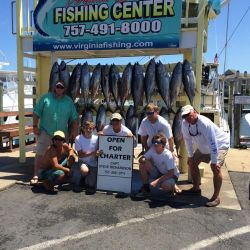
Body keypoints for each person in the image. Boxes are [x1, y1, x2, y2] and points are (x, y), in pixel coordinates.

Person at [30, 81, 78, 185]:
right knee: (40, 153)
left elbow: (74, 117)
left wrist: (74, 131)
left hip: (60, 136)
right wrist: (34, 126)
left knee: (62, 156)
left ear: (64, 89)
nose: (59, 88)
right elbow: (36, 112)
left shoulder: (69, 101)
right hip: (46, 131)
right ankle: (36, 174)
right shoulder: (45, 98)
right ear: (54, 87)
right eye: (57, 86)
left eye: (61, 87)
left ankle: (54, 175)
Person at [181, 105, 230, 207]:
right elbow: (187, 141)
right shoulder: (185, 124)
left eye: (189, 115)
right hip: (204, 146)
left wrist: (214, 161)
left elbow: (213, 143)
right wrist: (190, 156)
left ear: (194, 111)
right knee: (192, 162)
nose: (187, 118)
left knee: (215, 168)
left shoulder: (205, 123)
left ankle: (216, 197)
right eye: (184, 116)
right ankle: (196, 188)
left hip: (219, 144)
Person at [73, 121, 101, 194]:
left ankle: (87, 180)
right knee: (84, 170)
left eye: (90, 128)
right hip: (83, 162)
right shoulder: (78, 138)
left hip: (93, 163)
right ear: (83, 128)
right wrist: (93, 153)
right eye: (86, 128)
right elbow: (81, 155)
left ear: (93, 129)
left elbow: (100, 150)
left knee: (91, 185)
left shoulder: (97, 138)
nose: (88, 130)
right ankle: (81, 180)